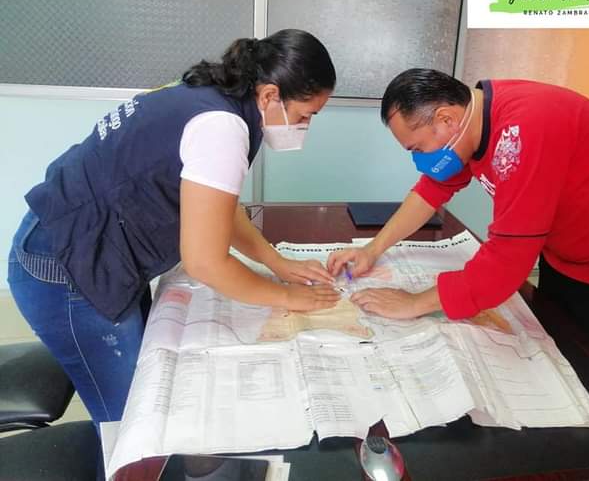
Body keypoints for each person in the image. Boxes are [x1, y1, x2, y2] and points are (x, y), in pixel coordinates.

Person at [7, 29, 340, 429]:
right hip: (66, 268)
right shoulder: (221, 126)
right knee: (133, 424)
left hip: (84, 243)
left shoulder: (216, 97)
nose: (305, 126)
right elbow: (205, 263)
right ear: (270, 95)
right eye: (305, 116)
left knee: (147, 391)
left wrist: (276, 262)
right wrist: (287, 297)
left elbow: (217, 207)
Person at [327, 69, 589, 363]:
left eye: (418, 148)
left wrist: (414, 303)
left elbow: (507, 262)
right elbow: (430, 190)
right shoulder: (472, 123)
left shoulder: (524, 130)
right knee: (551, 347)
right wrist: (372, 249)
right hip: (566, 255)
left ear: (446, 118)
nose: (418, 159)